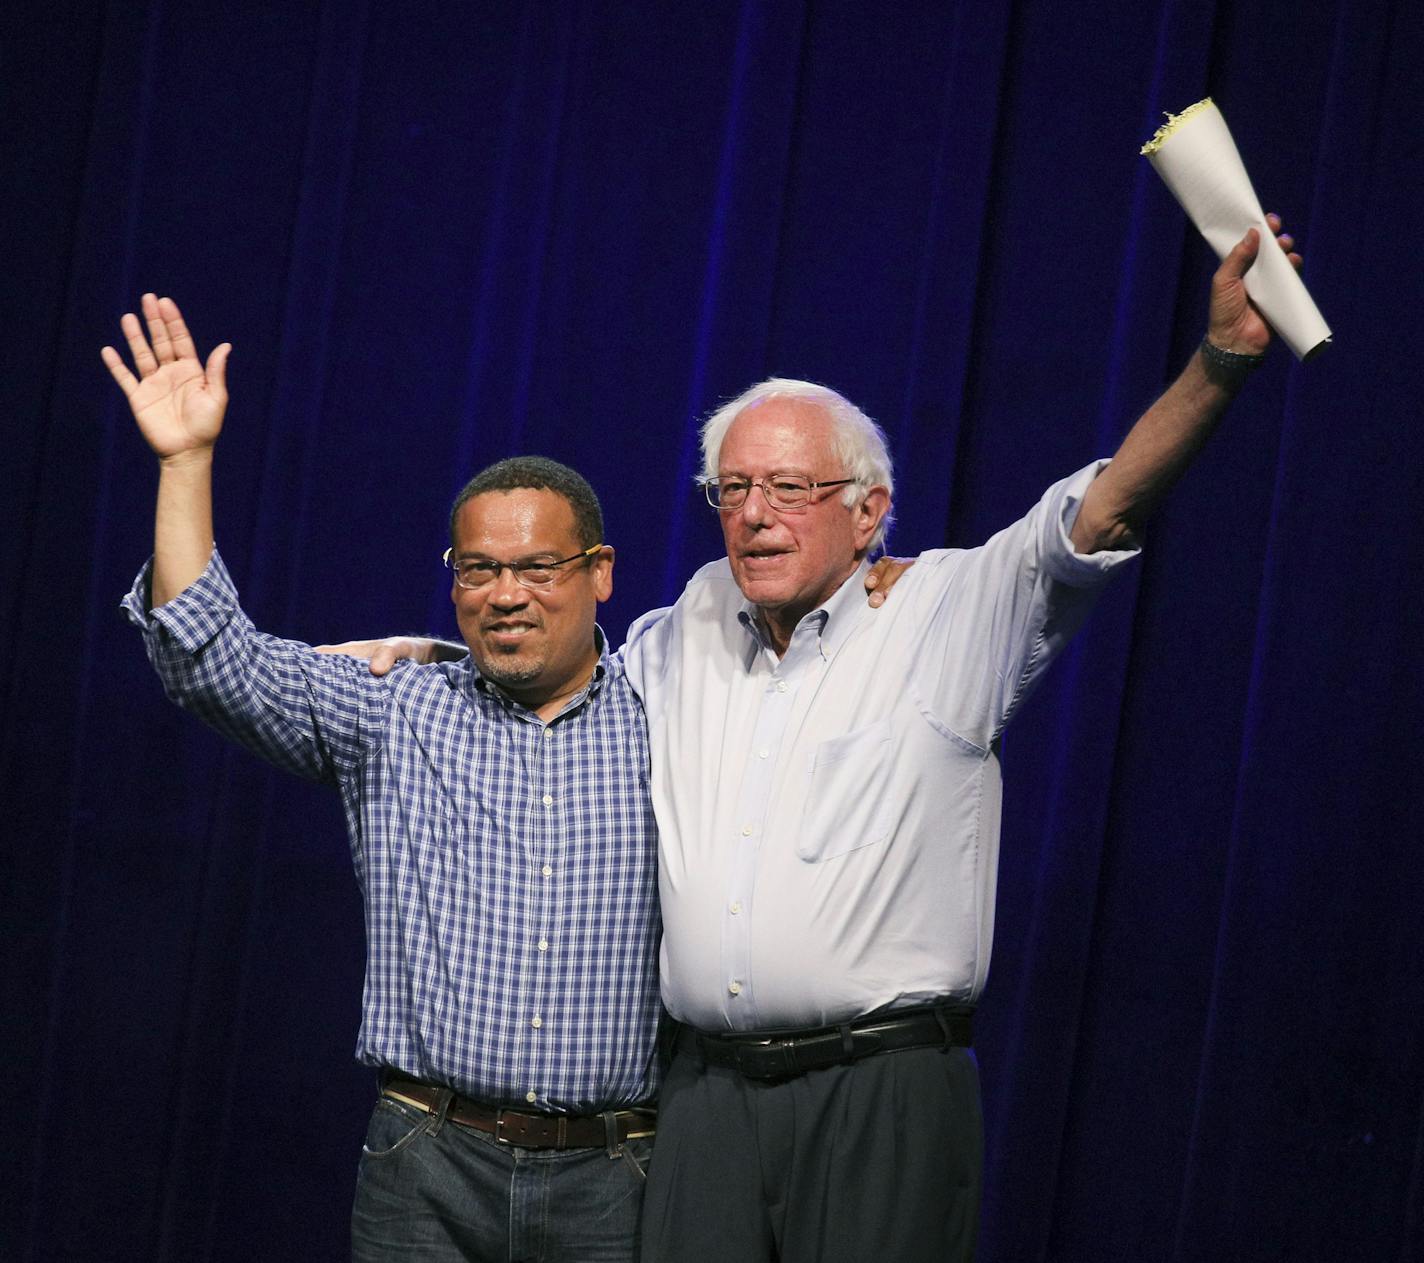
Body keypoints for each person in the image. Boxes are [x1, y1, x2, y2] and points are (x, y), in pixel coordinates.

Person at [345, 218, 1304, 1260]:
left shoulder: (946, 614)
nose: (755, 516)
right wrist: (438, 652)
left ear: (868, 512)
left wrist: (1220, 364)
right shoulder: (684, 634)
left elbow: (1103, 510)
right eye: (734, 491)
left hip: (879, 1086)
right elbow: (565, 667)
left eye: (791, 490)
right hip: (706, 1098)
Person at [104, 294, 662, 1262]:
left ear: (599, 571)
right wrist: (184, 462)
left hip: (617, 1177)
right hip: (425, 1164)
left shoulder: (679, 720)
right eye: (478, 571)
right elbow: (207, 658)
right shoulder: (395, 710)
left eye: (536, 568)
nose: (505, 597)